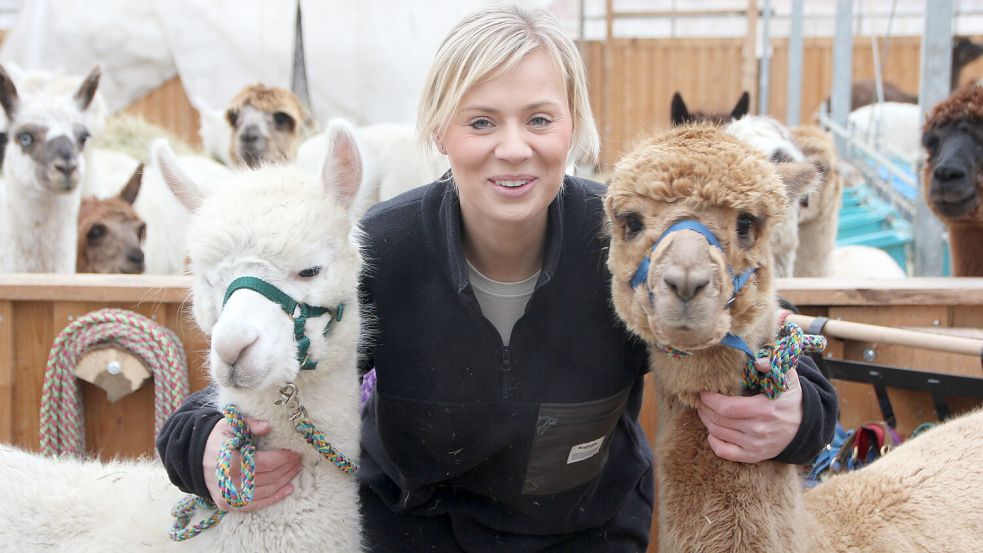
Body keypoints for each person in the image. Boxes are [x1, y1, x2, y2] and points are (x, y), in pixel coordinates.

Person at [157, 5, 837, 551]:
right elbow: (260, 366)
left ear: (572, 126)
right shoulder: (381, 250)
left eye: (539, 118)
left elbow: (757, 336)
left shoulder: (630, 237)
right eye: (481, 120)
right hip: (412, 535)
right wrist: (201, 444)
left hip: (586, 535)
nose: (513, 147)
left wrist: (801, 414)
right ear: (440, 131)